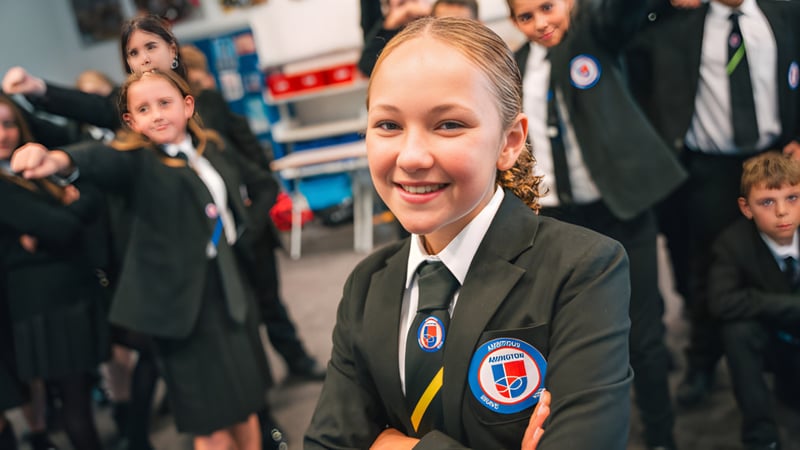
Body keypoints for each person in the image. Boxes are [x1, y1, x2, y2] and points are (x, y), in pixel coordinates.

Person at [305, 17, 632, 449]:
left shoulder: (581, 270)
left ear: (509, 141)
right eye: (388, 125)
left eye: (449, 125)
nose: (413, 156)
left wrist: (392, 444)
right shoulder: (367, 285)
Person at [12, 69, 279, 450]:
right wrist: (56, 161)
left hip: (230, 296)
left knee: (247, 403)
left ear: (187, 105)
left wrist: (242, 233)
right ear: (131, 121)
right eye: (143, 108)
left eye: (165, 103)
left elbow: (241, 198)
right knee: (211, 424)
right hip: (182, 313)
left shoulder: (211, 150)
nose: (156, 114)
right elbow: (97, 161)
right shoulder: (138, 161)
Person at [506, 0, 685, 448]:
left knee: (642, 334)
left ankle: (661, 435)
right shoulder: (516, 67)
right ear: (514, 22)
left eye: (548, 7)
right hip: (556, 221)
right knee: (569, 337)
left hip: (618, 212)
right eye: (526, 17)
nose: (541, 23)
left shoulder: (593, 36)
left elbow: (620, 11)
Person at [627, 0, 800, 409]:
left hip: (778, 155)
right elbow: (624, 24)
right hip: (707, 168)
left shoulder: (786, 13)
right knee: (704, 267)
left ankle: (782, 356)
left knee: (782, 251)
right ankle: (703, 362)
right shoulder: (676, 21)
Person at [180, 44, 327, 382]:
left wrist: (252, 219)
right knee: (241, 311)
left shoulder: (211, 107)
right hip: (218, 232)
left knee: (268, 302)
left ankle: (296, 360)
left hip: (248, 223)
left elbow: (255, 168)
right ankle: (267, 373)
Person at [0, 94, 109, 450]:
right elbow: (62, 227)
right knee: (75, 404)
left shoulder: (30, 169)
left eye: (8, 123)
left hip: (70, 294)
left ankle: (133, 428)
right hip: (44, 308)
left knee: (77, 400)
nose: (3, 133)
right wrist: (67, 208)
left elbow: (88, 201)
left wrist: (62, 218)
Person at [707, 151, 800, 450]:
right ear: (746, 208)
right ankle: (762, 438)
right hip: (774, 344)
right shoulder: (733, 243)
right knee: (737, 332)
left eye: (793, 198)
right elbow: (721, 302)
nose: (782, 212)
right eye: (767, 202)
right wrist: (789, 306)